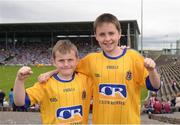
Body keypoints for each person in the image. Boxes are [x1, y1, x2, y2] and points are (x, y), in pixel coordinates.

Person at [38, 13, 161, 124]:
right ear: (96, 36)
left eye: (111, 33)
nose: (107, 39)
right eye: (102, 34)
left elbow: (154, 86)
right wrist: (51, 72)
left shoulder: (134, 57)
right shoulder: (91, 60)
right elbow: (69, 68)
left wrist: (152, 70)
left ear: (119, 33)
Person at [13, 40, 92, 124]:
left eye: (70, 60)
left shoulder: (86, 80)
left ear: (77, 60)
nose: (66, 64)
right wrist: (20, 80)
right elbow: (19, 102)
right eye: (61, 60)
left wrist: (52, 71)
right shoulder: (45, 84)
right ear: (54, 61)